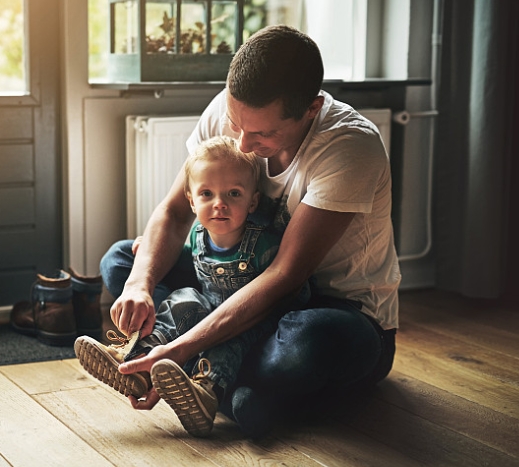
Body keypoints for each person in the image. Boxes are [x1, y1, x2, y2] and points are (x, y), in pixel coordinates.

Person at [95, 24, 401, 438]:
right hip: (230, 281)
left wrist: (185, 346)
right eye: (237, 123)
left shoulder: (350, 146)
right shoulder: (230, 108)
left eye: (262, 133)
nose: (241, 141)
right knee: (121, 261)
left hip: (331, 311)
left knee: (304, 345)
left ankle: (196, 369)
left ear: (311, 109)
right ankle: (230, 386)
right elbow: (174, 211)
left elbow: (284, 277)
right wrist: (139, 285)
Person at [75, 135, 309, 436]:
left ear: (253, 201)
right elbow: (190, 259)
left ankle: (205, 390)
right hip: (207, 307)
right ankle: (138, 361)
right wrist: (149, 248)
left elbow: (289, 288)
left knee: (230, 341)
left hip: (250, 320)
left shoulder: (264, 242)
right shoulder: (199, 233)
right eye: (207, 194)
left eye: (234, 194)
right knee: (183, 299)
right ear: (191, 200)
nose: (219, 204)